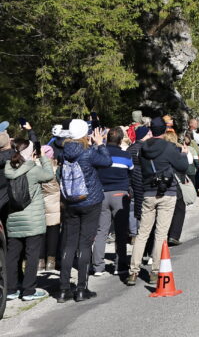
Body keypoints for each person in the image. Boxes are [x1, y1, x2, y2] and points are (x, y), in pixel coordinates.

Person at [126, 117, 189, 286]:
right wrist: (183, 154)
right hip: (167, 191)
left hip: (148, 192)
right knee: (161, 234)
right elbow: (182, 166)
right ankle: (155, 271)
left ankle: (133, 271)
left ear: (151, 130)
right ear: (164, 130)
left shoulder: (143, 149)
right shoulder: (169, 147)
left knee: (142, 233)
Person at [56, 119, 111, 302]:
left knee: (69, 244)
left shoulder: (63, 153)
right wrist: (100, 144)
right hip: (90, 200)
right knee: (85, 244)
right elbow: (107, 162)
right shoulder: (88, 153)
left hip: (70, 202)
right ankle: (81, 288)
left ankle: (63, 289)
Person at [3, 136, 54, 302]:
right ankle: (28, 290)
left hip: (14, 219)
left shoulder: (8, 169)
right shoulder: (33, 170)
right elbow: (49, 175)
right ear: (30, 152)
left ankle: (10, 290)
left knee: (12, 255)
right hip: (33, 219)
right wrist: (43, 158)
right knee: (32, 255)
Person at [92, 126, 133, 277]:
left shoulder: (98, 154)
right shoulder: (126, 155)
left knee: (101, 231)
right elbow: (131, 173)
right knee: (121, 232)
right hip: (119, 194)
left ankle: (98, 266)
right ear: (121, 140)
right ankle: (120, 265)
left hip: (102, 194)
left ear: (107, 139)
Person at [40, 144, 61, 273]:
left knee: (41, 233)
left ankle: (40, 261)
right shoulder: (56, 169)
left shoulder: (36, 169)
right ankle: (51, 261)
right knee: (53, 232)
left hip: (40, 205)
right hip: (55, 205)